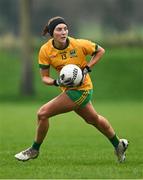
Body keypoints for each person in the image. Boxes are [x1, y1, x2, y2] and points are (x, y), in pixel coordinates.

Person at [15, 16, 128, 163]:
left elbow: (100, 51)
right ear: (51, 33)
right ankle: (119, 145)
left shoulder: (79, 44)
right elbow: (45, 78)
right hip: (68, 91)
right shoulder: (45, 50)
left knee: (42, 113)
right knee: (93, 119)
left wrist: (87, 68)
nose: (63, 32)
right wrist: (56, 82)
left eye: (65, 29)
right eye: (59, 29)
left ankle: (34, 149)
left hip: (82, 89)